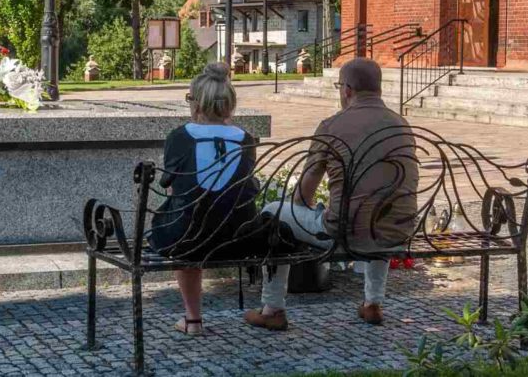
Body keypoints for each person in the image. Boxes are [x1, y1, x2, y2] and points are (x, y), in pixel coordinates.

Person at [245, 58, 419, 330]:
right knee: (378, 210)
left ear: (347, 90)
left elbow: (303, 195)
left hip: (345, 235)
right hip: (399, 231)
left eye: (340, 87)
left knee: (272, 213)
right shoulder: (402, 124)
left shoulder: (332, 125)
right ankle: (373, 303)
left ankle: (272, 309)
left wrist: (315, 210)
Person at [149, 62, 260, 335]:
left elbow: (175, 191)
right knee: (201, 215)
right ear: (230, 105)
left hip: (190, 238)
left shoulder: (180, 137)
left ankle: (193, 319)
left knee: (184, 218)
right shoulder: (246, 139)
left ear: (196, 104)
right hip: (239, 237)